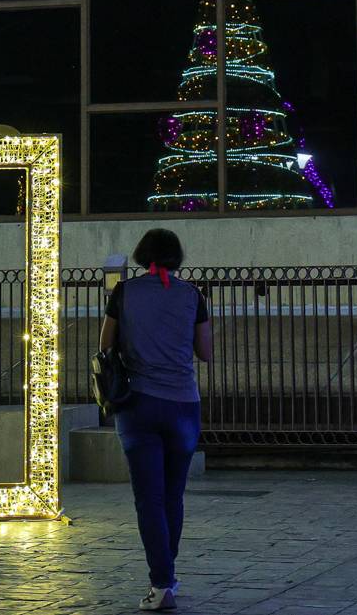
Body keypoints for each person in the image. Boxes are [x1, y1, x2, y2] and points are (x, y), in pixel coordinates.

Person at [100, 228, 213, 613]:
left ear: (141, 255)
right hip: (184, 404)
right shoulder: (192, 295)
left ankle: (161, 581)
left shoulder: (125, 293)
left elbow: (105, 345)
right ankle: (168, 574)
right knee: (172, 495)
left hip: (139, 405)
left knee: (148, 498)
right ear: (177, 257)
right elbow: (206, 352)